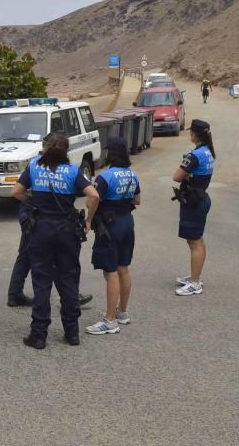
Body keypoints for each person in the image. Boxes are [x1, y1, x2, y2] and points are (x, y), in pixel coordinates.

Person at [13, 133, 100, 348]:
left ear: (46, 148)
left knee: (41, 281)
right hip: (66, 230)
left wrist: (32, 201)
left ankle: (39, 335)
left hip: (40, 228)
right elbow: (94, 195)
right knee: (68, 279)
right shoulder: (72, 171)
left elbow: (16, 191)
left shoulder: (34, 167)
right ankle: (72, 333)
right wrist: (88, 221)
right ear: (66, 150)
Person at [86, 137, 140, 335]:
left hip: (110, 226)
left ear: (110, 153)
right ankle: (122, 312)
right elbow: (138, 200)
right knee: (123, 267)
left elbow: (93, 200)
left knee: (110, 272)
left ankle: (109, 321)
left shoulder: (105, 177)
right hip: (127, 222)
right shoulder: (133, 175)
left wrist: (89, 220)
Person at [172, 119, 216, 296]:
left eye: (191, 132)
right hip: (201, 198)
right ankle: (194, 276)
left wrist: (186, 171)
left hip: (193, 201)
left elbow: (177, 176)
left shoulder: (195, 155)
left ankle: (195, 282)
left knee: (195, 242)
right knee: (197, 239)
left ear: (195, 135)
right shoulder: (209, 151)